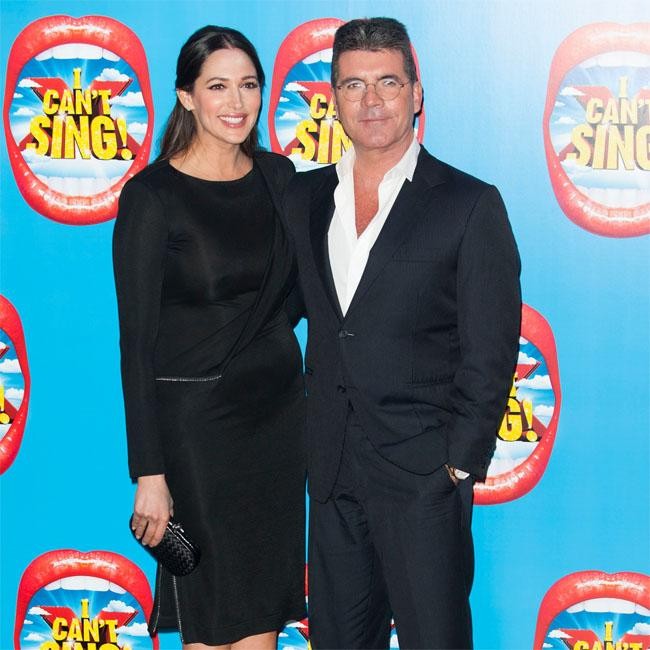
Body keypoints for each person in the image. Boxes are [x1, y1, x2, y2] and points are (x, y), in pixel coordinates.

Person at [284, 17, 521, 650]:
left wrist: (458, 462)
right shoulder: (302, 198)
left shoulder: (468, 204)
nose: (371, 100)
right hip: (331, 474)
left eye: (387, 82)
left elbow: (491, 347)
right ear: (334, 99)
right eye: (353, 84)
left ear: (417, 94)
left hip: (424, 478)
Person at [113, 25, 305, 650]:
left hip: (276, 424)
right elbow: (135, 346)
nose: (236, 101)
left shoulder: (280, 177)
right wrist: (149, 472)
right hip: (197, 434)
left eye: (249, 85)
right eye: (217, 86)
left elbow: (301, 294)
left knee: (259, 616)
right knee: (209, 617)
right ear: (186, 97)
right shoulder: (152, 196)